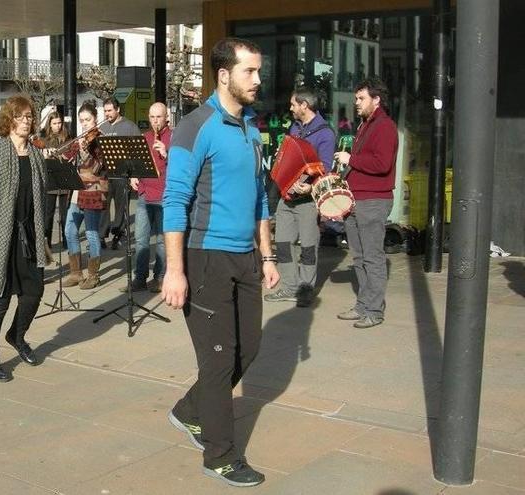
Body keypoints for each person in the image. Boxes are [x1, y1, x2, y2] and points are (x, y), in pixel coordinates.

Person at [162, 38, 279, 488]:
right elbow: (175, 200)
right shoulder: (197, 126)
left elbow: (258, 200)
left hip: (246, 257)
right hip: (205, 256)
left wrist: (267, 254)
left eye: (258, 71)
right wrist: (175, 270)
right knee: (217, 360)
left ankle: (189, 410)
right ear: (224, 74)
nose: (258, 79)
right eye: (250, 71)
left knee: (247, 349)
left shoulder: (251, 128)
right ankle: (220, 455)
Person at [0, 95, 49, 381]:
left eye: (29, 116)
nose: (26, 121)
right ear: (9, 119)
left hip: (28, 235)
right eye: (21, 116)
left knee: (34, 293)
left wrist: (44, 236)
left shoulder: (37, 155)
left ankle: (16, 335)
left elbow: (42, 199)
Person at [333, 77, 399, 329]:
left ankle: (373, 310)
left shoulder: (384, 126)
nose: (357, 103)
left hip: (373, 200)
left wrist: (351, 159)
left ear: (376, 99)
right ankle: (363, 305)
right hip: (358, 199)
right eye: (356, 99)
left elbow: (382, 165)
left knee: (372, 257)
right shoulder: (366, 125)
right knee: (359, 257)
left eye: (361, 98)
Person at [264, 86, 335, 307]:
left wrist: (309, 186)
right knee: (283, 243)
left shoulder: (325, 133)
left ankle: (305, 289)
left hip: (308, 198)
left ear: (305, 105)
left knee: (308, 247)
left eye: (294, 104)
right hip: (287, 196)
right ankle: (289, 286)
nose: (291, 108)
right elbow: (289, 155)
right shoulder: (294, 128)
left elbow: (325, 167)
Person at [125, 102, 170, 293]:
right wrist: (134, 176)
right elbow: (136, 164)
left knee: (162, 240)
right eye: (152, 117)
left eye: (158, 117)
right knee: (141, 239)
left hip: (164, 195)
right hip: (145, 193)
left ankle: (160, 277)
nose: (155, 121)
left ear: (166, 117)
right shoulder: (145, 137)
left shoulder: (174, 137)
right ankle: (140, 278)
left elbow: (182, 167)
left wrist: (166, 154)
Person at [62, 101, 107, 290]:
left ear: (95, 119)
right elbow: (66, 157)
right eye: (82, 121)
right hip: (78, 189)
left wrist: (87, 149)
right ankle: (75, 272)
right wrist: (64, 152)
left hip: (95, 189)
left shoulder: (100, 139)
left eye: (88, 120)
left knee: (91, 232)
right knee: (69, 230)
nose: (85, 124)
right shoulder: (81, 139)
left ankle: (94, 274)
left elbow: (99, 166)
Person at [98, 96, 141, 249]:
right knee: (103, 205)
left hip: (122, 173)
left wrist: (134, 174)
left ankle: (118, 234)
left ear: (118, 110)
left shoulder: (130, 127)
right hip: (105, 173)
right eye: (105, 111)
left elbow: (138, 152)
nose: (107, 114)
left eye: (110, 110)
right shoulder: (102, 127)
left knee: (121, 206)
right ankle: (101, 235)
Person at [39, 110, 70, 246]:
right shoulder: (43, 139)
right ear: (49, 124)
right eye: (54, 123)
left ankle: (66, 240)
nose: (57, 126)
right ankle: (47, 242)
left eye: (59, 123)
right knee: (48, 213)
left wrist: (66, 155)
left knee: (65, 214)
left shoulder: (67, 137)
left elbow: (70, 155)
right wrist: (45, 153)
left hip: (63, 177)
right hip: (50, 178)